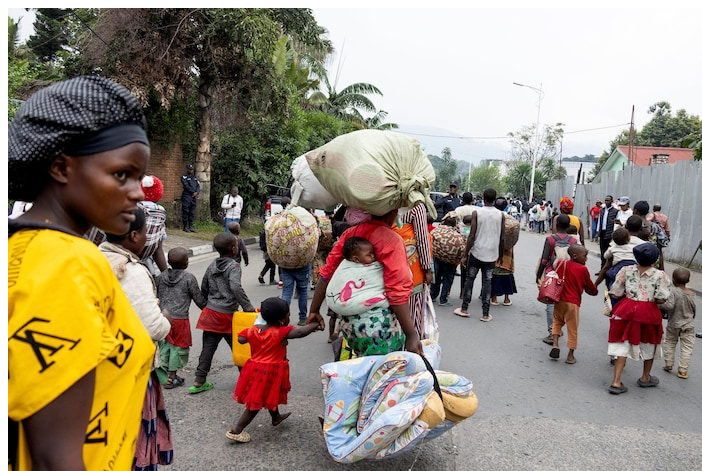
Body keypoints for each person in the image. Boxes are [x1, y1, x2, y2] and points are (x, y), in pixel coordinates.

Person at [8, 76, 156, 471]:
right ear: (61, 167)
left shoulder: (22, 248)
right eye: (122, 174)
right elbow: (54, 458)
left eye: (139, 177)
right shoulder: (67, 262)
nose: (138, 192)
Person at [99, 208, 175, 470]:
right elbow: (153, 327)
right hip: (131, 373)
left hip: (99, 370)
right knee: (134, 443)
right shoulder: (131, 270)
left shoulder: (94, 258)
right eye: (144, 233)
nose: (146, 239)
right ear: (133, 235)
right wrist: (165, 316)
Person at [307, 209, 422, 357]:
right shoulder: (392, 239)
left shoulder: (351, 233)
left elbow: (327, 273)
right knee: (381, 373)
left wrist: (314, 310)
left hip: (348, 325)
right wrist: (411, 334)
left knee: (356, 368)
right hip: (378, 325)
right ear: (392, 212)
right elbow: (397, 291)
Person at [226, 297, 320, 443]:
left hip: (254, 369)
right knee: (256, 403)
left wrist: (256, 330)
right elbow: (300, 332)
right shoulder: (280, 332)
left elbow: (241, 339)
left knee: (270, 393)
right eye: (288, 315)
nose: (290, 317)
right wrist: (314, 324)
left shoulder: (253, 330)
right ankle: (236, 430)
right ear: (281, 319)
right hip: (270, 371)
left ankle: (275, 417)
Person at [190, 232, 256, 394]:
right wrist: (248, 307)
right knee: (238, 347)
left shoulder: (212, 264)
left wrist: (207, 303)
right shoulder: (233, 266)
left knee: (208, 348)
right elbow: (235, 287)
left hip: (211, 312)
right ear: (234, 249)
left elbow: (204, 284)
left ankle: (199, 380)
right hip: (227, 314)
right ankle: (247, 381)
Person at [607, 243, 671, 395]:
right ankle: (645, 377)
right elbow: (661, 298)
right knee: (650, 342)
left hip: (626, 309)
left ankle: (616, 381)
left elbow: (616, 291)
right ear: (655, 260)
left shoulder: (626, 270)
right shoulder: (660, 275)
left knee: (621, 343)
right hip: (648, 311)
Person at [156, 247, 207, 389]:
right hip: (180, 320)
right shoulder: (188, 278)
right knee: (178, 348)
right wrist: (208, 309)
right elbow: (199, 299)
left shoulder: (160, 277)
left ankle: (165, 374)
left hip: (163, 318)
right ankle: (172, 377)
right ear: (186, 263)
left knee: (165, 346)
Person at [454, 188, 505, 322]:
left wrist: (465, 254)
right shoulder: (501, 215)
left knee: (470, 279)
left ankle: (464, 308)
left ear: (483, 198)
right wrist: (500, 255)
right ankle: (485, 314)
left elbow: (472, 235)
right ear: (494, 199)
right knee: (487, 282)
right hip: (491, 254)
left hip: (477, 252)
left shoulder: (477, 212)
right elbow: (502, 238)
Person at [548, 245, 598, 364]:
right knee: (572, 328)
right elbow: (590, 288)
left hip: (559, 300)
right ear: (575, 256)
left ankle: (555, 344)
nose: (586, 259)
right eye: (585, 256)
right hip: (573, 302)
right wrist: (595, 291)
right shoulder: (583, 269)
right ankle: (570, 355)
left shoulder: (561, 264)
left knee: (557, 321)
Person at [536, 214, 579, 344]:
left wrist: (539, 274)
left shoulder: (550, 239)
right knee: (564, 300)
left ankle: (552, 332)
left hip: (552, 273)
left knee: (551, 302)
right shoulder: (573, 241)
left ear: (556, 225)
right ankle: (559, 328)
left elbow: (544, 259)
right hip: (567, 273)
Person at [393, 202, 433, 336]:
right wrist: (427, 269)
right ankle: (410, 350)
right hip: (411, 274)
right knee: (412, 319)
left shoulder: (385, 202)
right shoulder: (416, 207)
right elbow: (422, 240)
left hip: (388, 271)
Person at [660, 268, 696, 379]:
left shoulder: (673, 292)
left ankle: (668, 364)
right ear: (688, 281)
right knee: (687, 348)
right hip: (688, 325)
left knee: (670, 343)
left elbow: (669, 306)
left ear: (673, 280)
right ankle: (683, 370)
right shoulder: (692, 294)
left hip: (673, 324)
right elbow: (693, 309)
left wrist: (659, 305)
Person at [490, 197, 517, 307]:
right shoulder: (511, 219)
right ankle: (506, 299)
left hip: (494, 249)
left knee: (494, 273)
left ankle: (494, 297)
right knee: (507, 273)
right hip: (508, 251)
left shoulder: (493, 217)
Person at [139, 174, 168, 276]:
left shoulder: (130, 208)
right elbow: (158, 248)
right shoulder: (160, 212)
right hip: (148, 269)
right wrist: (166, 275)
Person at [430, 213, 461, 307]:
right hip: (450, 261)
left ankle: (432, 296)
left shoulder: (436, 230)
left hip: (437, 258)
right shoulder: (456, 234)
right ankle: (443, 299)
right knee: (447, 279)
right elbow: (461, 247)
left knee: (436, 277)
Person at [632, 200, 668, 271]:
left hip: (634, 262)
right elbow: (660, 248)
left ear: (636, 211)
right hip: (653, 263)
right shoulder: (656, 227)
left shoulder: (631, 225)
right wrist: (661, 267)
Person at [596, 195, 620, 268]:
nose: (606, 202)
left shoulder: (615, 211)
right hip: (603, 232)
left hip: (610, 233)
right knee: (602, 251)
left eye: (608, 200)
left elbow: (617, 223)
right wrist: (597, 232)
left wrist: (614, 233)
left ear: (611, 201)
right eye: (605, 200)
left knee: (609, 252)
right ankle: (602, 268)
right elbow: (599, 221)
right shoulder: (602, 210)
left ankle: (608, 268)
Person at [181, 163, 200, 232]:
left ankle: (191, 226)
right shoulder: (184, 177)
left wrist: (197, 192)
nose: (191, 171)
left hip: (193, 197)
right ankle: (185, 226)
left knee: (192, 212)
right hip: (187, 196)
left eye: (192, 169)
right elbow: (186, 186)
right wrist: (193, 192)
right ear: (187, 169)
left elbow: (198, 185)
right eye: (190, 169)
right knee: (186, 211)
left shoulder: (194, 177)